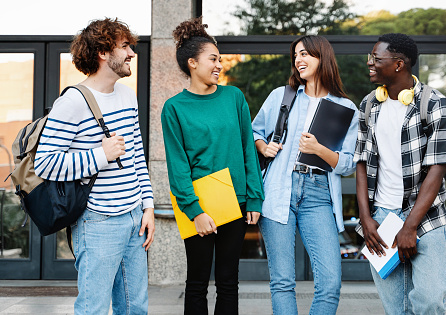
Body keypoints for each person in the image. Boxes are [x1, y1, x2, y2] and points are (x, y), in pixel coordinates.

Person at [34, 18, 155, 315]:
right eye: (125, 46)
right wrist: (100, 155)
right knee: (94, 309)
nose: (132, 54)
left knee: (135, 308)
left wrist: (148, 205)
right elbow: (45, 164)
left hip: (134, 218)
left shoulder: (127, 95)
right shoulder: (73, 102)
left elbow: (137, 154)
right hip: (98, 221)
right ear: (103, 52)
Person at [160, 17, 264, 315]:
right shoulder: (174, 108)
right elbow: (177, 165)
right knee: (196, 283)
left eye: (220, 59)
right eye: (213, 59)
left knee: (229, 282)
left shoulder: (234, 97)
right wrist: (195, 211)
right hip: (198, 205)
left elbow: (247, 149)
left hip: (236, 201)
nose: (219, 64)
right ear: (192, 62)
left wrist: (254, 198)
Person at [252, 35, 359, 315]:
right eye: (296, 55)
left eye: (305, 54)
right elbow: (254, 132)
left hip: (318, 192)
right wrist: (264, 147)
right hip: (278, 188)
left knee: (330, 282)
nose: (298, 60)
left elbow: (348, 164)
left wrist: (319, 149)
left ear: (322, 57)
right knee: (282, 281)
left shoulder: (347, 109)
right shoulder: (281, 96)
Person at [354, 33, 446, 314]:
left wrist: (410, 226)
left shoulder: (434, 102)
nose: (370, 63)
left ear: (399, 64)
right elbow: (361, 162)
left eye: (376, 58)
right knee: (395, 308)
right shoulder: (368, 105)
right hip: (382, 219)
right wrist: (366, 218)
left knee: (430, 299)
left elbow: (438, 168)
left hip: (426, 218)